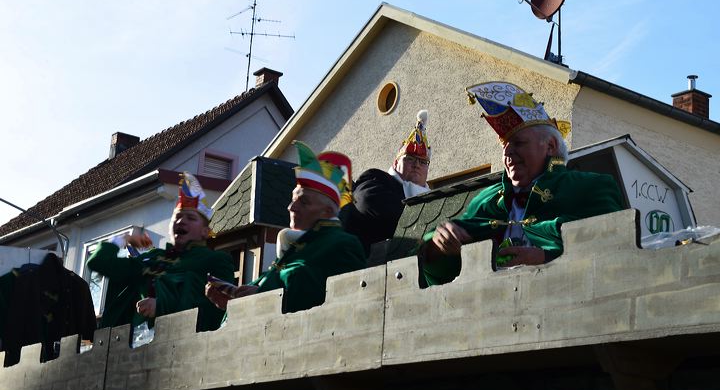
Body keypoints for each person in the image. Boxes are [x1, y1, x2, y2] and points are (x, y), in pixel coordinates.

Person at [422, 81, 624, 286]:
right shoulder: (486, 198)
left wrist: (547, 260)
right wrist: (439, 246)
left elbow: (616, 249)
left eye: (519, 143)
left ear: (550, 146)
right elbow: (440, 271)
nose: (508, 153)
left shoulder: (591, 187)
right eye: (504, 146)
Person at [207, 141, 366, 313]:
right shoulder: (296, 247)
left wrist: (263, 296)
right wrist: (233, 304)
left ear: (327, 211)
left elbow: (333, 301)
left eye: (303, 202)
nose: (291, 207)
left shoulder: (343, 244)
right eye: (293, 199)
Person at [87, 172, 234, 332]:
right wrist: (122, 239)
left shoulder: (216, 259)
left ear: (205, 232)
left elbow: (217, 308)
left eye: (191, 218)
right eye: (177, 217)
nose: (181, 221)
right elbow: (99, 262)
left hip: (183, 346)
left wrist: (162, 306)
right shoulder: (153, 258)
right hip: (136, 347)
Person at [340, 110, 432, 254]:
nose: (417, 165)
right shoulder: (376, 179)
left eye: (423, 161)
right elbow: (367, 201)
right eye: (409, 158)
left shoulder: (433, 199)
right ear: (396, 163)